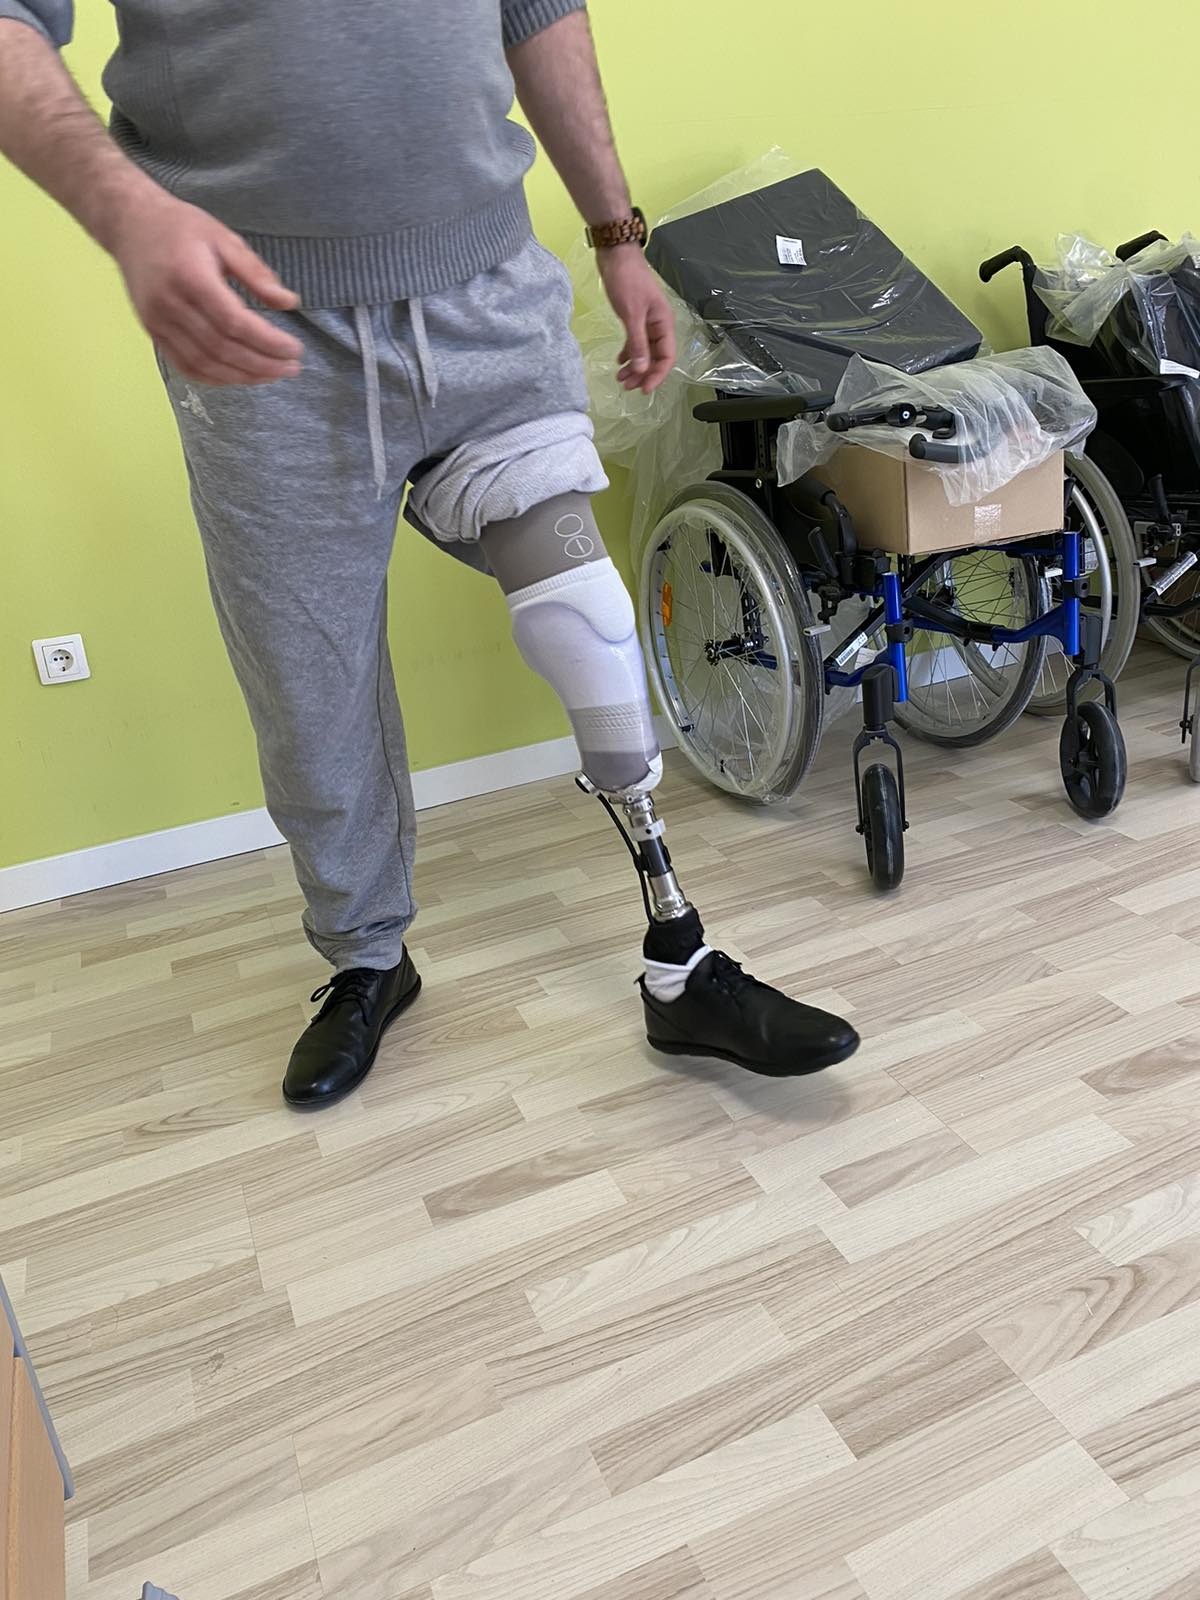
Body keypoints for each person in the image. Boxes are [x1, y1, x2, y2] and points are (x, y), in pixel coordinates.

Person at [0, 1, 859, 1109]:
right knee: (312, 695)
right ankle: (367, 958)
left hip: (482, 293)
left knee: (587, 623)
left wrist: (616, 237)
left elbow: (537, 9)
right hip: (260, 334)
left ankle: (680, 965)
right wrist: (126, 215)